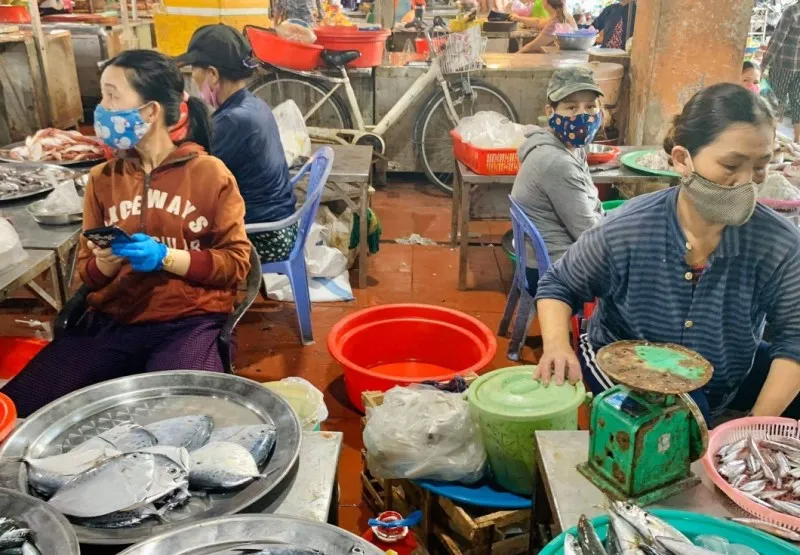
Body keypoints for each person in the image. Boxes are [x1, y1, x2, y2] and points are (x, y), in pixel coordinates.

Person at [532, 83, 800, 425]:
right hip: (623, 366)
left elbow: (795, 337)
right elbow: (559, 284)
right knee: (681, 420)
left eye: (761, 166)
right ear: (682, 159)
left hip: (723, 373)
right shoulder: (629, 229)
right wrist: (557, 346)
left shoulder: (778, 244)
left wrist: (753, 427)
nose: (747, 182)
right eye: (731, 165)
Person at [2, 50, 252, 417]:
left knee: (179, 418)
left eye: (112, 96)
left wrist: (166, 257)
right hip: (114, 321)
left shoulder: (210, 174)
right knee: (21, 409)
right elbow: (86, 276)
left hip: (189, 321)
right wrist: (104, 264)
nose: (101, 109)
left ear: (150, 111)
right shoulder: (103, 179)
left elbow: (236, 264)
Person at [176, 25, 298, 264]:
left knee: (171, 239)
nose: (194, 79)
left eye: (194, 71)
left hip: (265, 236)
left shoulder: (233, 120)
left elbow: (194, 177)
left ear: (212, 74)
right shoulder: (250, 104)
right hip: (279, 224)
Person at [510, 67, 604, 294]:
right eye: (571, 107)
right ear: (550, 112)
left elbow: (592, 204)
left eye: (590, 107)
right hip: (554, 271)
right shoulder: (556, 162)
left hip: (550, 256)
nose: (582, 116)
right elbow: (588, 233)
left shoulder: (570, 147)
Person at [762, 1, 800, 143]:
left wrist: (763, 64)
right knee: (797, 101)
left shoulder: (792, 11)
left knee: (777, 101)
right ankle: (797, 141)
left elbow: (778, 40)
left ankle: (772, 139)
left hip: (784, 65)